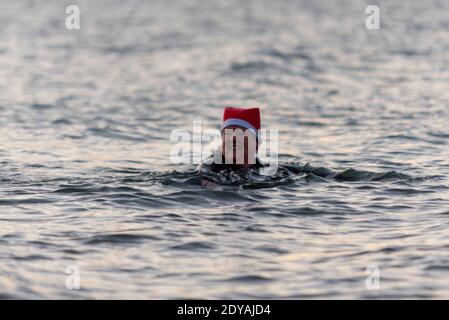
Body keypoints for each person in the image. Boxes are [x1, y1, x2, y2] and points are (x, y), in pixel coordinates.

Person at [198, 107, 265, 186]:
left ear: (256, 144)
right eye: (228, 134)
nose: (233, 138)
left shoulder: (264, 170)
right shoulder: (210, 168)